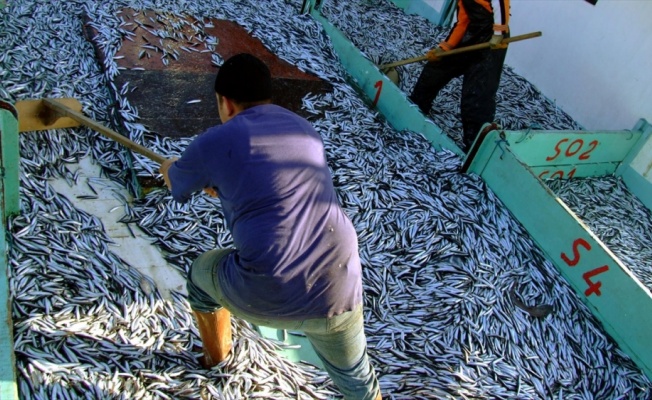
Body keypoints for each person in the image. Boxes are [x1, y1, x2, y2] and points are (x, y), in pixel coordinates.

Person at [159, 53, 381, 400]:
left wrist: (169, 167)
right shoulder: (304, 129)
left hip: (269, 289)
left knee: (200, 277)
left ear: (226, 103)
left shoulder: (213, 142)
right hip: (341, 284)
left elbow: (176, 185)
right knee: (358, 382)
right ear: (267, 97)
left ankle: (216, 357)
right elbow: (279, 187)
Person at [409, 0, 510, 151]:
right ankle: (415, 109)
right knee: (436, 68)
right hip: (471, 34)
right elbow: (463, 21)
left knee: (476, 96)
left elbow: (501, 3)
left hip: (492, 42)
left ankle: (475, 148)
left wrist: (499, 33)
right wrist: (445, 47)